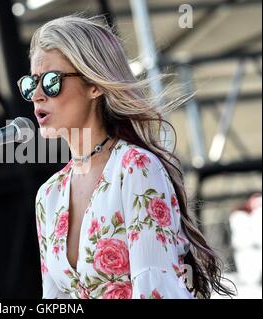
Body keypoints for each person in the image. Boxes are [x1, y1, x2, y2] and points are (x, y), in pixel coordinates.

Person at [17, 14, 235, 299]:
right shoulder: (48, 196)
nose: (38, 95)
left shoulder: (135, 168)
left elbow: (155, 289)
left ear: (94, 84)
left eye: (51, 81)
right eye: (31, 84)